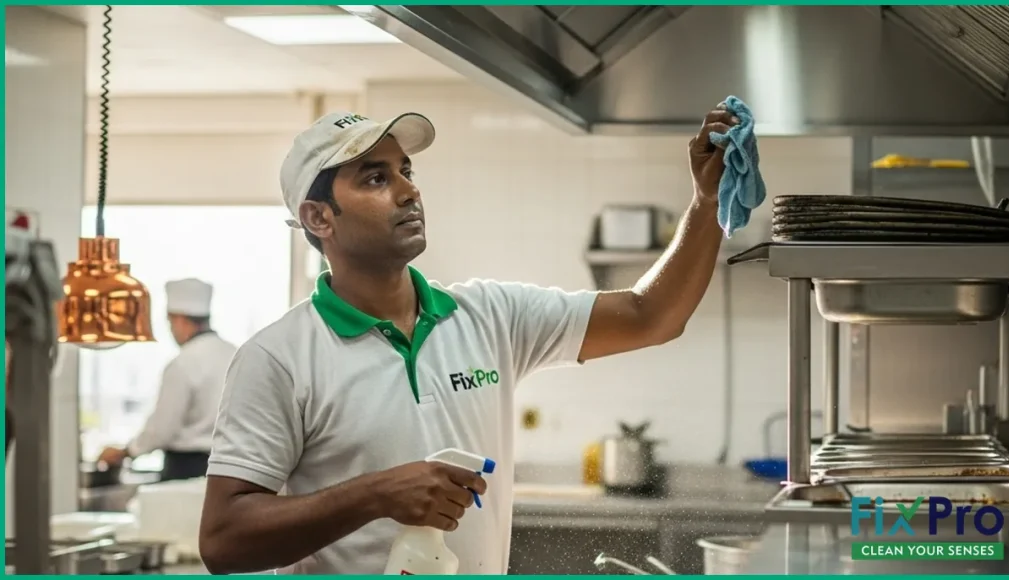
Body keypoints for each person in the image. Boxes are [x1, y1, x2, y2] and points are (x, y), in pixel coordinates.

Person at [198, 106, 738, 575]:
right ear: (319, 218)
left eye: (405, 171)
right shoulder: (278, 358)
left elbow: (651, 316)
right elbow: (223, 541)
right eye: (374, 178)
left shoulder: (490, 316)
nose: (409, 189)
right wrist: (375, 495)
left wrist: (705, 202)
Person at [98, 278, 237, 482]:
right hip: (230, 470)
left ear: (180, 320)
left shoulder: (182, 363)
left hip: (186, 469)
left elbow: (162, 429)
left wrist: (126, 451)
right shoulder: (236, 354)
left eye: (170, 322)